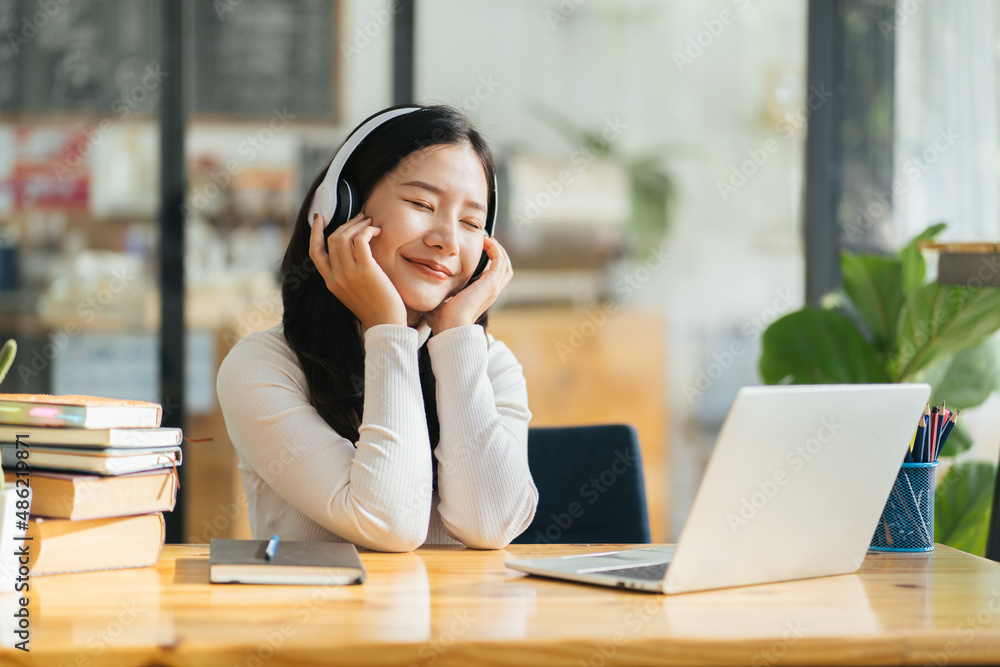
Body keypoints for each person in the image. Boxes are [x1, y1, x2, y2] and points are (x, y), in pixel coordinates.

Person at [216, 105, 538, 552]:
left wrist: (458, 336)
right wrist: (387, 329)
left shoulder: (490, 365)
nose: (447, 239)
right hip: (323, 620)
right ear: (341, 209)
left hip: (460, 621)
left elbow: (491, 525)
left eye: (471, 223)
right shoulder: (261, 368)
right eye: (422, 204)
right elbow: (388, 522)